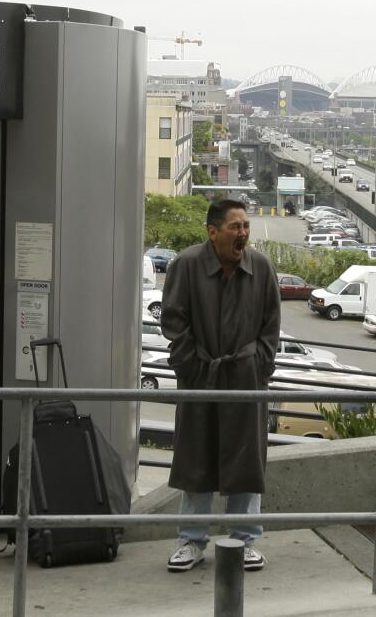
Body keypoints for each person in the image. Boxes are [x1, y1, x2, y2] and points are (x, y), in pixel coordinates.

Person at [161, 199, 281, 573]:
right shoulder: (186, 265)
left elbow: (271, 325)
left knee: (246, 463)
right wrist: (190, 365)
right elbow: (173, 320)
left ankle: (244, 540)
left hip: (246, 380)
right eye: (235, 227)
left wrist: (258, 364)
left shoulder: (260, 267)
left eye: (245, 226)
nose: (243, 233)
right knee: (196, 461)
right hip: (200, 378)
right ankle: (191, 541)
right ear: (213, 232)